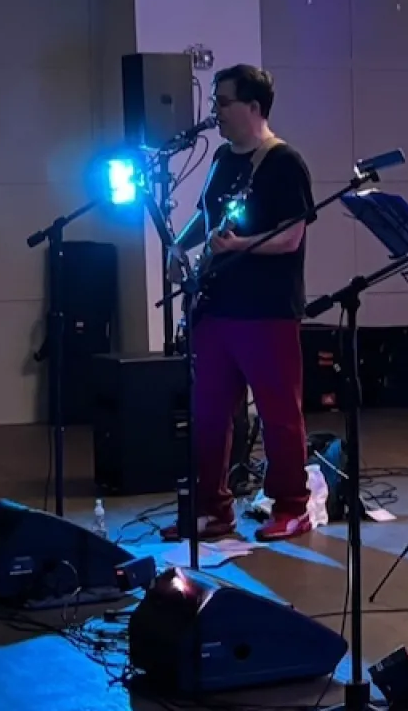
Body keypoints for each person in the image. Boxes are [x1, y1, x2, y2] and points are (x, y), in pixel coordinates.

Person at [161, 64, 315, 543]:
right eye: (214, 102)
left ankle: (292, 507)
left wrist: (238, 246)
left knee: (278, 414)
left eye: (223, 103)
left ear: (253, 107)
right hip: (217, 307)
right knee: (209, 412)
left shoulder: (284, 162)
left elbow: (291, 237)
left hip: (266, 310)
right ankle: (212, 509)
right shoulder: (223, 158)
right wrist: (178, 246)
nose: (215, 112)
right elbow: (205, 216)